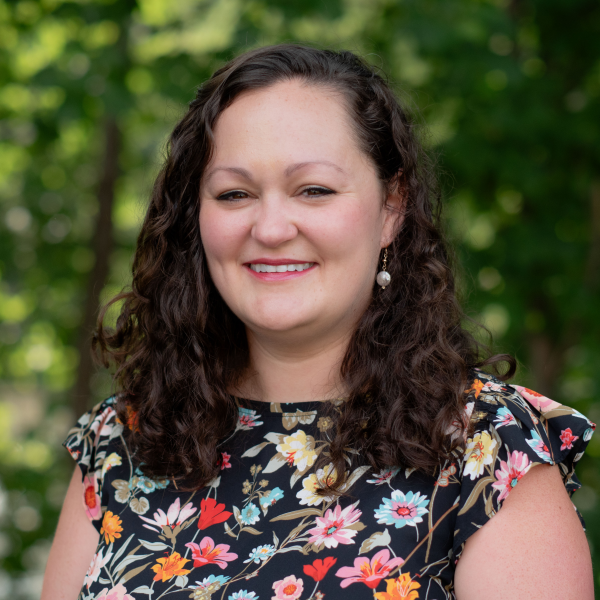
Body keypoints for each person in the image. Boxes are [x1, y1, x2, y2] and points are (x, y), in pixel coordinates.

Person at [42, 44, 595, 600]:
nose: (272, 227)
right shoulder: (123, 441)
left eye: (314, 190)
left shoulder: (486, 448)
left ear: (391, 208)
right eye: (234, 194)